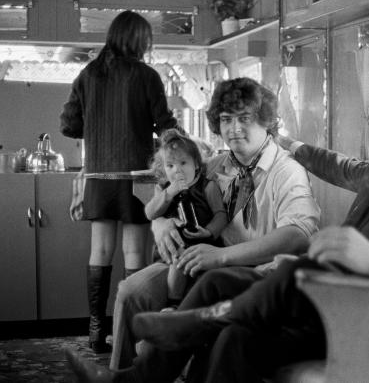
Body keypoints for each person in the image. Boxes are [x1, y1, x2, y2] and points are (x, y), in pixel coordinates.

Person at [72, 57, 369, 383]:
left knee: (282, 272)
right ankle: (157, 357)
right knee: (240, 322)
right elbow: (338, 165)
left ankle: (189, 326)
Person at [66, 88, 369, 381]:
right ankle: (133, 373)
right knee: (153, 296)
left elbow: (310, 236)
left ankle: (175, 333)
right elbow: (174, 183)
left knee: (224, 289)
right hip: (217, 262)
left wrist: (309, 264)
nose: (233, 129)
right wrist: (159, 221)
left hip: (332, 303)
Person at [105, 77, 321, 370]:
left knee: (205, 308)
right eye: (226, 119)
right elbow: (172, 192)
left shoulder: (287, 171)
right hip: (196, 259)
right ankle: (119, 373)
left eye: (245, 118)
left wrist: (220, 256)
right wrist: (161, 224)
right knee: (130, 293)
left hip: (251, 271)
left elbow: (297, 235)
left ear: (266, 121)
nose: (234, 129)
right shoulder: (216, 166)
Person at [60, 10, 179, 354]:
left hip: (98, 175)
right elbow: (164, 124)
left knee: (99, 251)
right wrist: (183, 149)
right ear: (139, 40)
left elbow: (69, 124)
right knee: (134, 252)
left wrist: (97, 125)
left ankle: (96, 332)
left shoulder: (89, 74)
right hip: (136, 178)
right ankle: (129, 329)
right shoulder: (146, 75)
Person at [145, 129, 228, 311]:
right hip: (175, 246)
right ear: (163, 168)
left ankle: (179, 305)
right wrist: (169, 193)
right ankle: (173, 303)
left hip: (203, 241)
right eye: (170, 166)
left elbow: (221, 215)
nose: (178, 170)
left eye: (183, 163)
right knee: (178, 259)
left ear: (196, 164)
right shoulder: (163, 189)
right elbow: (150, 213)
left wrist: (210, 231)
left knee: (188, 261)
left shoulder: (208, 186)